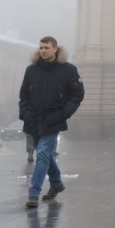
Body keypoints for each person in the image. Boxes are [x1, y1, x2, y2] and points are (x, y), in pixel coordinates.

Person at [19, 36, 84, 209]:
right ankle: (56, 184)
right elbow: (24, 95)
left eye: (47, 47)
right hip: (33, 119)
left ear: (55, 49)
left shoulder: (68, 70)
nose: (43, 50)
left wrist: (64, 112)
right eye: (41, 47)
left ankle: (33, 193)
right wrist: (24, 113)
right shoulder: (31, 70)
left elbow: (77, 94)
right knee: (45, 154)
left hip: (53, 119)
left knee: (41, 153)